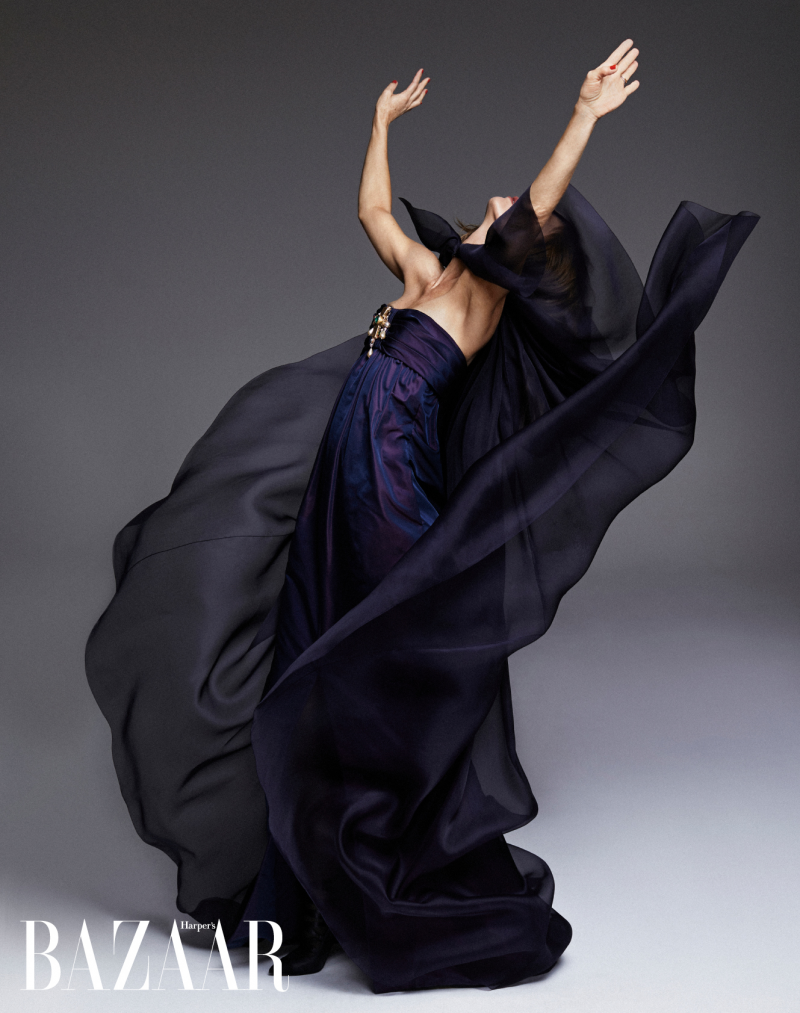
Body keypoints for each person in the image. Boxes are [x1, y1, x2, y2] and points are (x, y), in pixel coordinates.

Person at [85, 41, 758, 993]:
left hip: (391, 470)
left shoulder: (483, 292)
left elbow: (539, 201)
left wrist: (583, 114)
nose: (504, 206)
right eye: (508, 210)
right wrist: (379, 125)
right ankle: (302, 881)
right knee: (311, 642)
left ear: (523, 255)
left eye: (519, 220)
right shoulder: (425, 275)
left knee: (376, 645)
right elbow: (371, 210)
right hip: (343, 475)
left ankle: (393, 849)